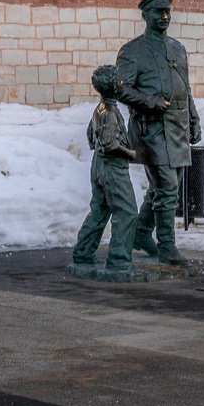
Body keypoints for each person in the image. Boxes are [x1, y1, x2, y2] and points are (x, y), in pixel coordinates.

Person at [116, 0, 200, 265]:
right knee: (166, 187)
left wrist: (194, 119)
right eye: (157, 12)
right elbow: (121, 89)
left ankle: (141, 233)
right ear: (145, 16)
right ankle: (166, 246)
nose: (164, 17)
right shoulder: (132, 51)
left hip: (176, 128)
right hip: (150, 129)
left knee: (161, 188)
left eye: (167, 12)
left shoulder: (178, 48)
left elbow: (185, 89)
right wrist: (150, 101)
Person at [70, 64, 139, 270]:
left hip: (98, 166)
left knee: (99, 211)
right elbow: (109, 144)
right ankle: (119, 259)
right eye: (119, 81)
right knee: (127, 212)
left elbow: (91, 137)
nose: (121, 83)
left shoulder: (99, 109)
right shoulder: (110, 112)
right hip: (112, 167)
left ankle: (82, 252)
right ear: (113, 86)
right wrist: (130, 153)